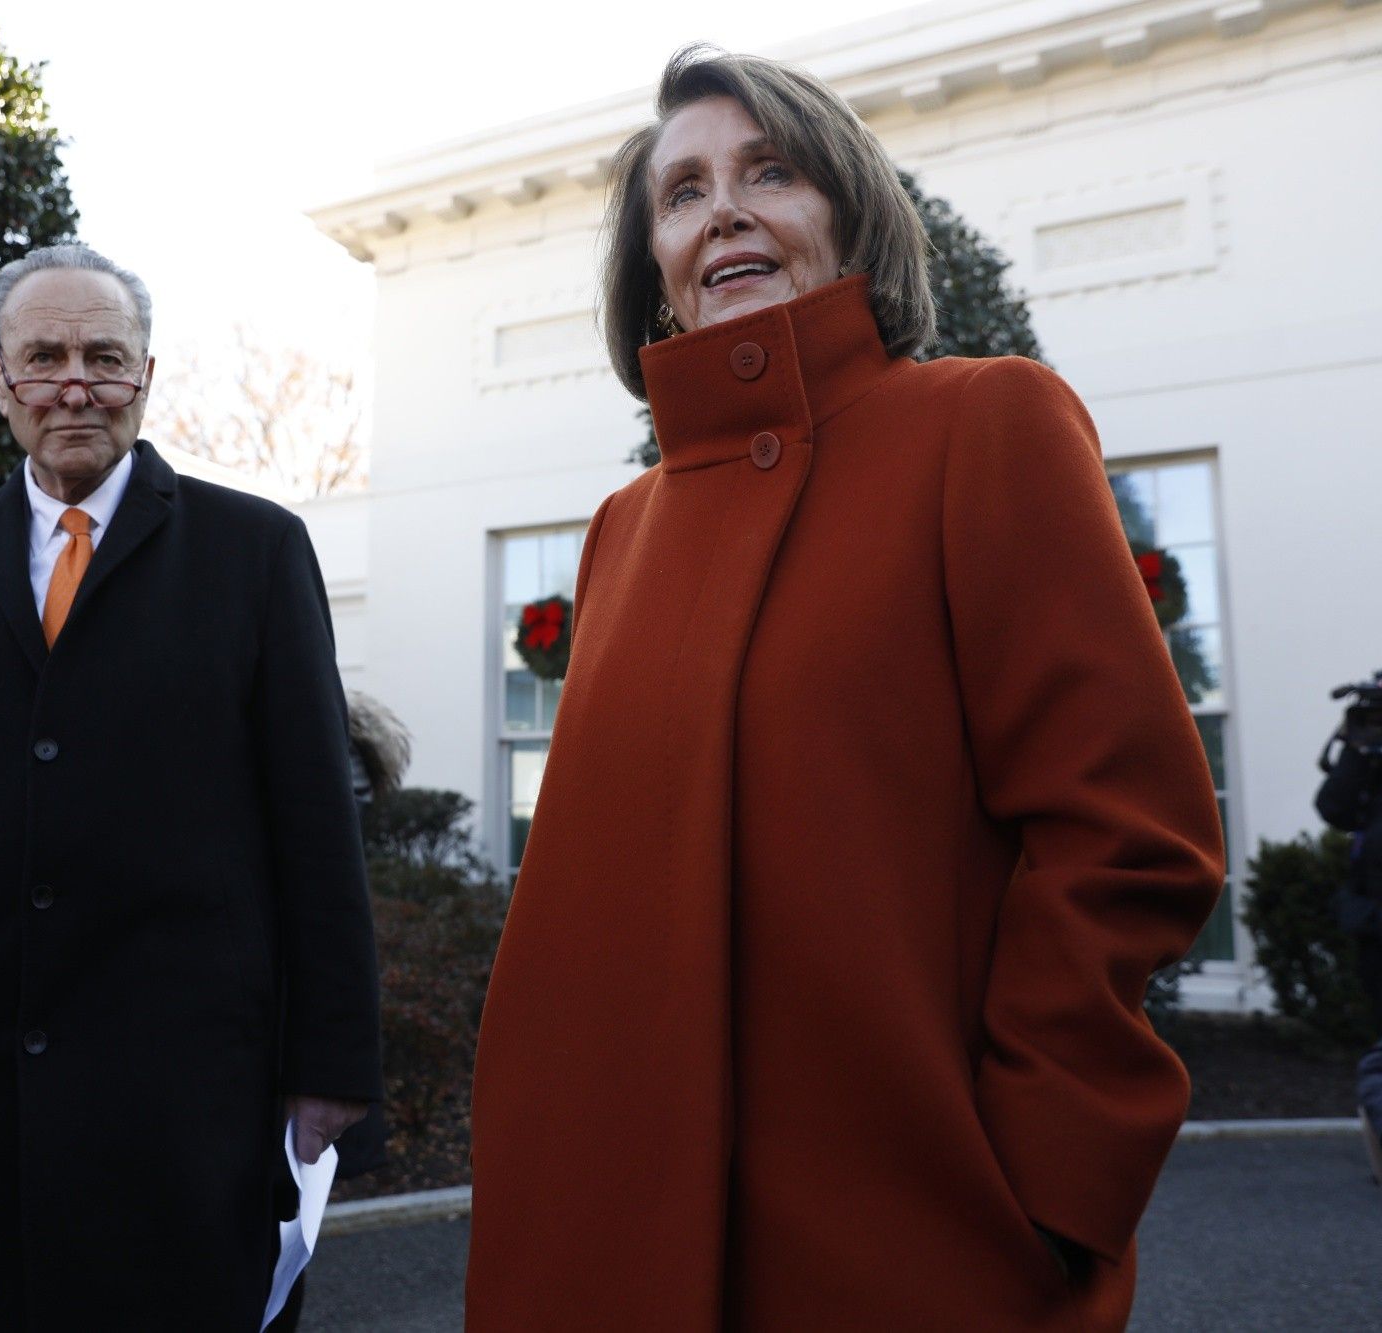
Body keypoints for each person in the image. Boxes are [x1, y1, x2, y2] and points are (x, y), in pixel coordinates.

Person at [466, 47, 1225, 1332]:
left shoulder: (987, 423)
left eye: (771, 172)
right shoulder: (617, 528)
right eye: (683, 192)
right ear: (652, 264)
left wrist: (1044, 1185)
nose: (725, 212)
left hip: (905, 1246)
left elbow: (1125, 833)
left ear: (848, 213)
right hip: (594, 1238)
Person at [0, 242, 383, 1330]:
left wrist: (329, 1065)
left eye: (102, 357)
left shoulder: (254, 553)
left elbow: (316, 821)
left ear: (145, 375)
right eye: (43, 358)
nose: (73, 384)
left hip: (181, 1105)